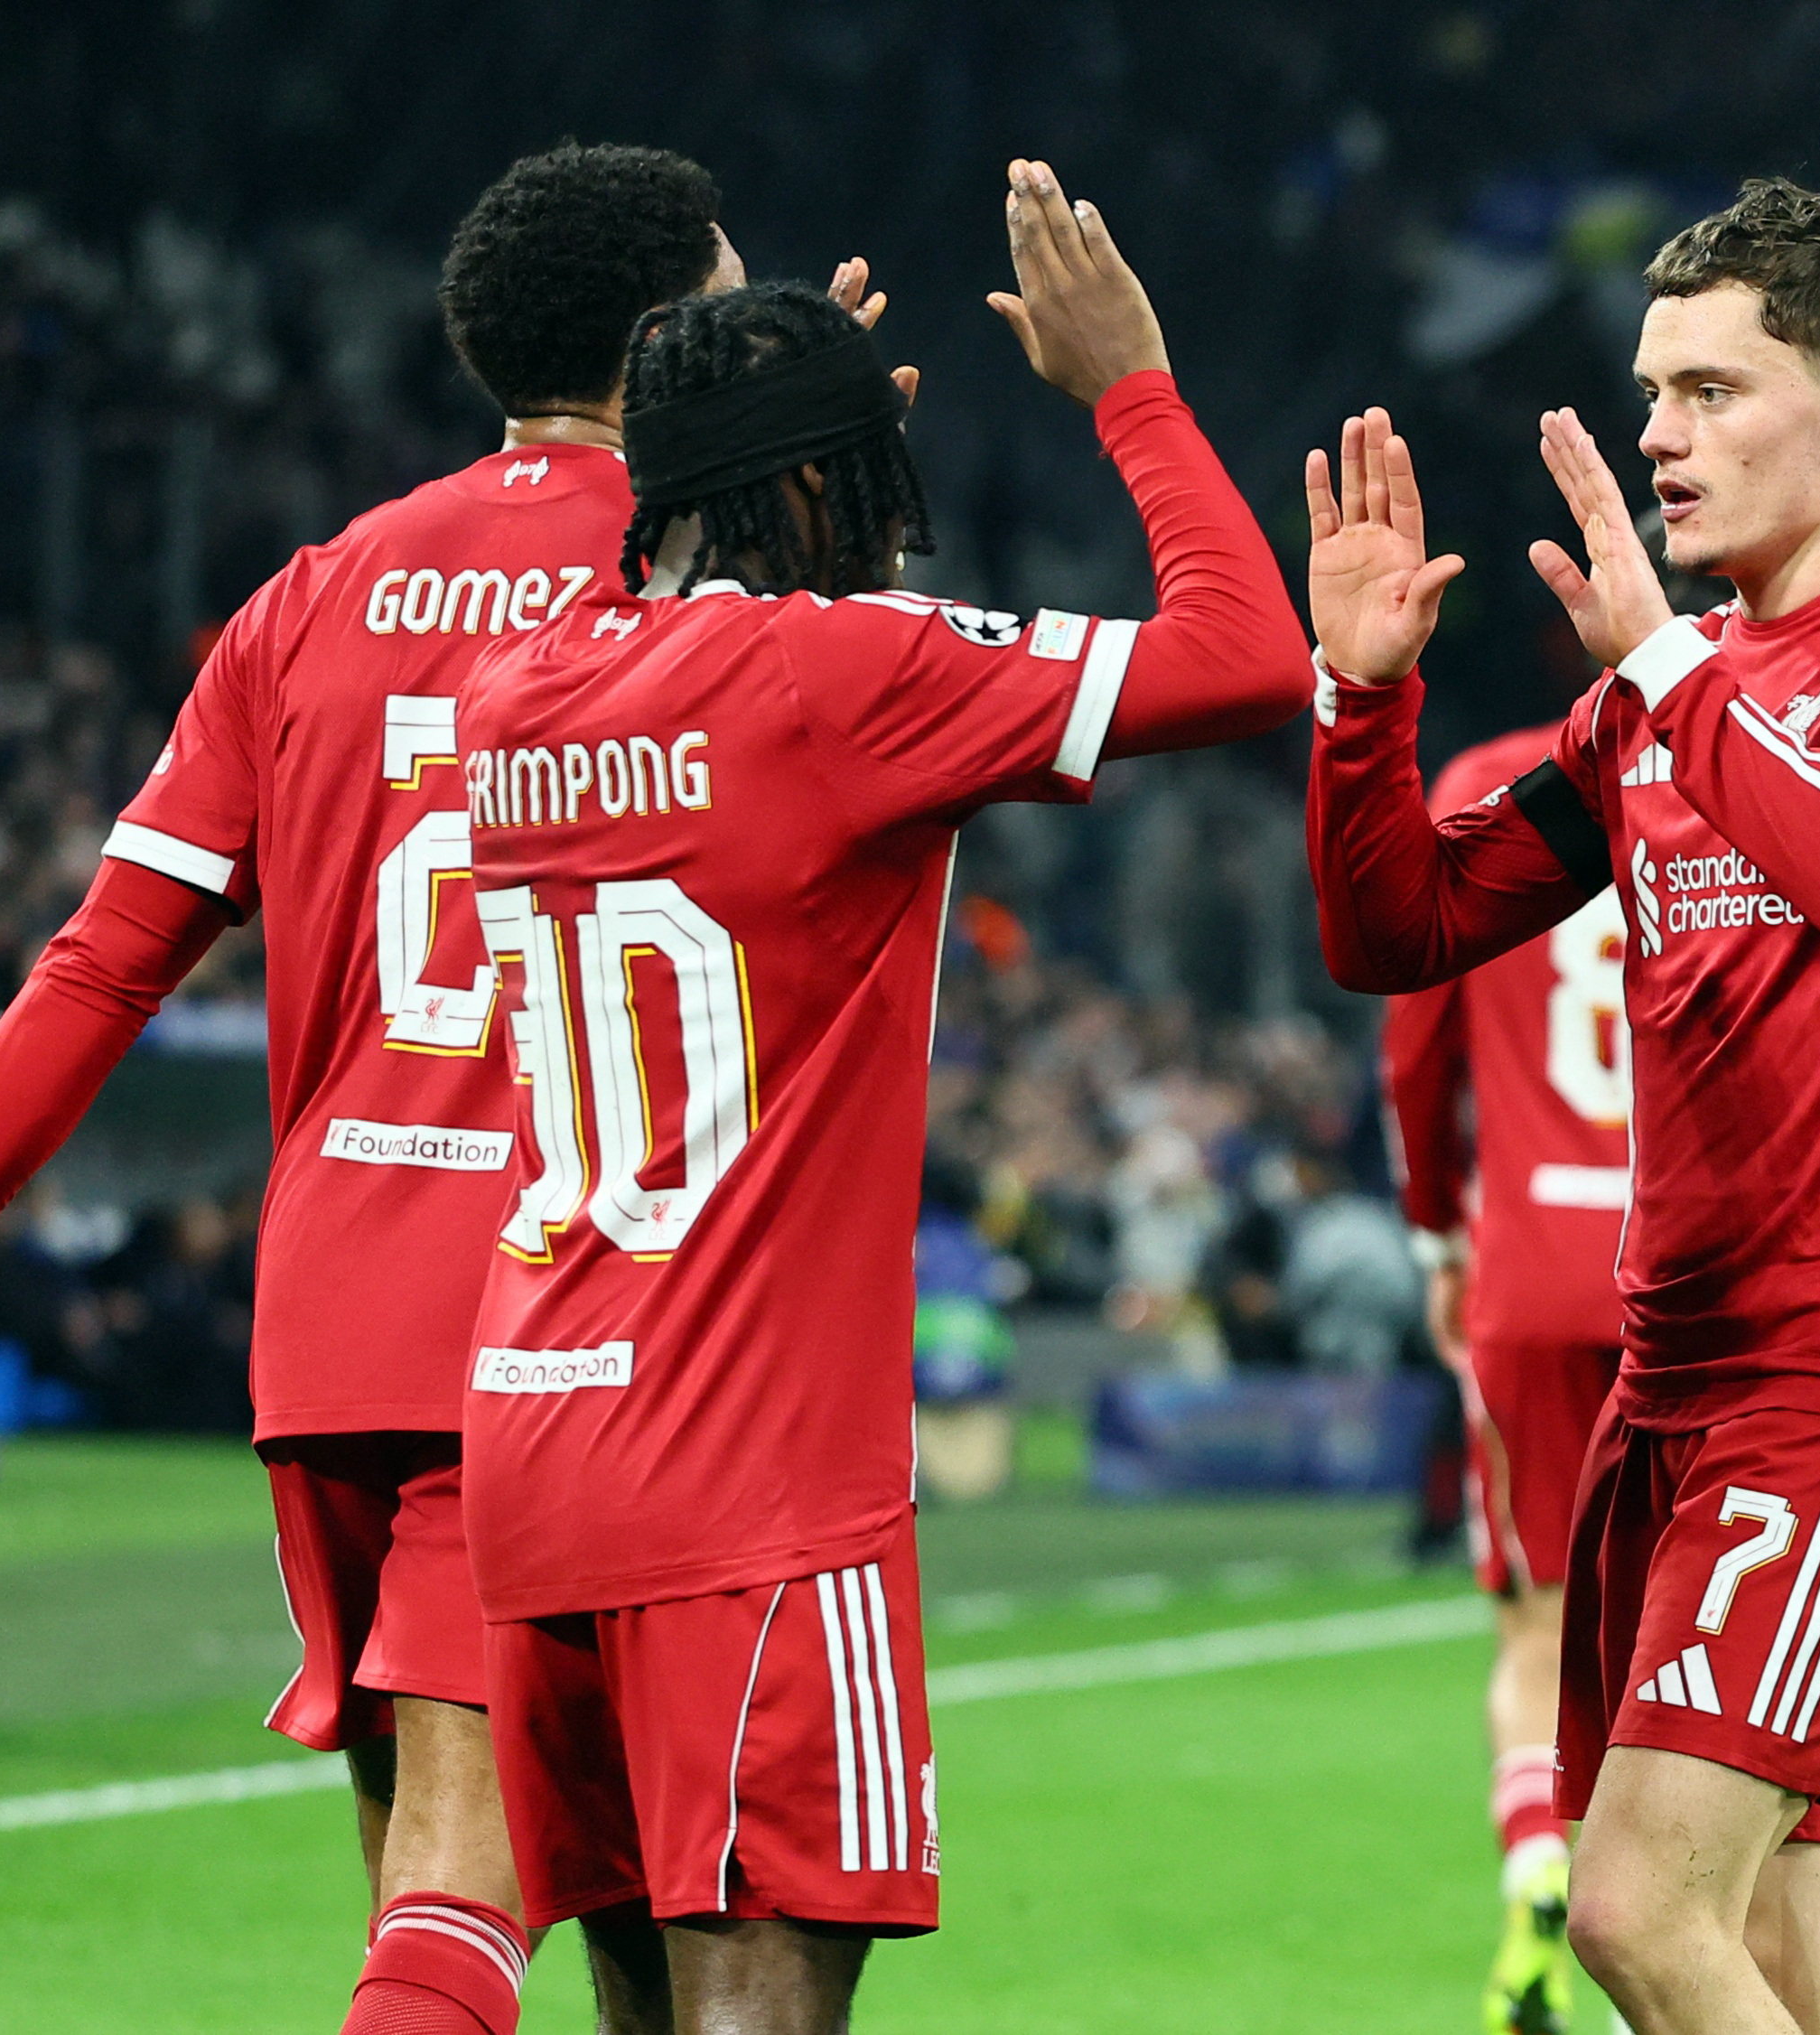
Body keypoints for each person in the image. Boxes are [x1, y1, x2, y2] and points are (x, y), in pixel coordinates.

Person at [0, 143, 882, 2035]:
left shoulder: (315, 594)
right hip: (567, 1312)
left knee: (584, 1903)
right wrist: (805, 473)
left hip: (330, 1325)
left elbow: (104, 953)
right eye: (732, 297)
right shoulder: (705, 586)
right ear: (672, 337)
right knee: (463, 1905)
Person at [456, 160, 1307, 2035]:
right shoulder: (845, 674)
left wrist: (766, 421)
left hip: (531, 1445)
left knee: (634, 2006)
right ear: (832, 494)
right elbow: (1249, 655)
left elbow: (681, 595)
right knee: (761, 2000)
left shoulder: (514, 692)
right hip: (749, 1479)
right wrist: (1131, 394)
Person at [1301, 177, 1820, 2034]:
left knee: (1639, 1907)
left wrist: (1664, 667)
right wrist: (1358, 703)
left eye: (1714, 389)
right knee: (1790, 1962)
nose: (1659, 431)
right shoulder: (1670, 698)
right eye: (1653, 388)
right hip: (1676, 1387)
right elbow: (1398, 924)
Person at [1377, 723, 1630, 2034]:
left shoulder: (1484, 786)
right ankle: (1682, 1916)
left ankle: (1539, 1868)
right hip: (1692, 1271)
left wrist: (1437, 1233)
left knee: (1539, 1630)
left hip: (1528, 1264)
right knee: (1686, 1643)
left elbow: (1416, 1041)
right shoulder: (1733, 762)